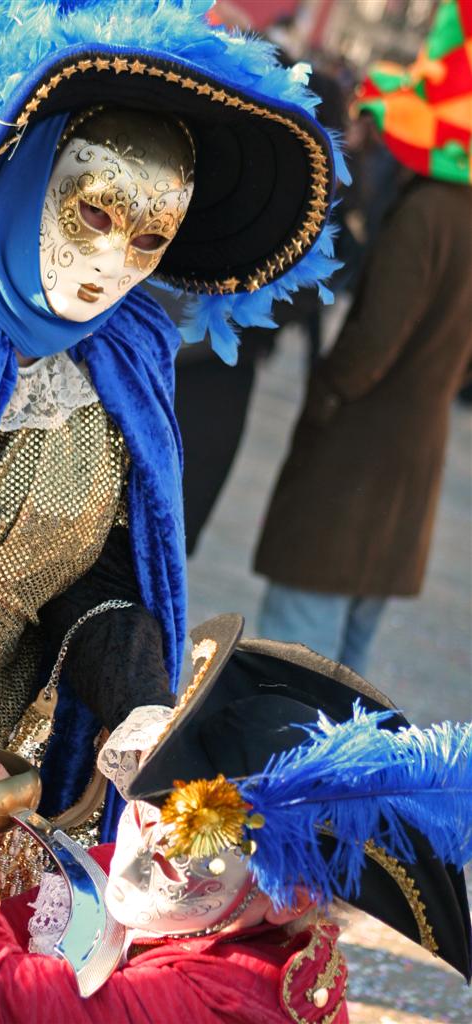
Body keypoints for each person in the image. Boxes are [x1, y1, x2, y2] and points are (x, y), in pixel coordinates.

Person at [0, 1, 346, 1018]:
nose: (111, 265)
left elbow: (104, 567)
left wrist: (135, 698)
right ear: (30, 167)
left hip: (2, 814)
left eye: (150, 238)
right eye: (92, 212)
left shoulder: (123, 353)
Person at [0, 590, 469, 1023]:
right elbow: (56, 911)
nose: (144, 845)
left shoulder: (219, 1003)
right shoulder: (197, 905)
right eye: (152, 802)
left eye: (192, 843)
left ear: (288, 894)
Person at [254, 0, 472, 676]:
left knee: (291, 661)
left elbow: (375, 340)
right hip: (409, 465)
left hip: (357, 465)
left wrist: (327, 389)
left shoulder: (429, 212)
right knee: (347, 670)